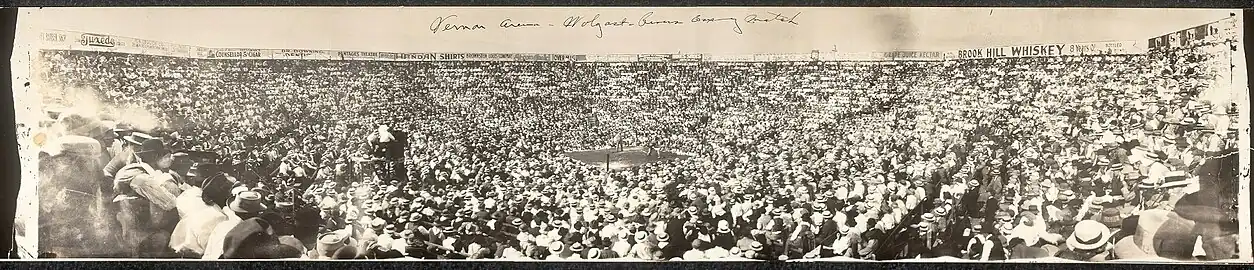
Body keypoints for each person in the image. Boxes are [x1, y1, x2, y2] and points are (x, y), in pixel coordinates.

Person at [113, 138, 186, 257]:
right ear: (155, 156)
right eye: (162, 155)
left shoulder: (132, 169)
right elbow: (170, 203)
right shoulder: (142, 178)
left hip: (125, 226)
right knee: (166, 237)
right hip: (134, 233)